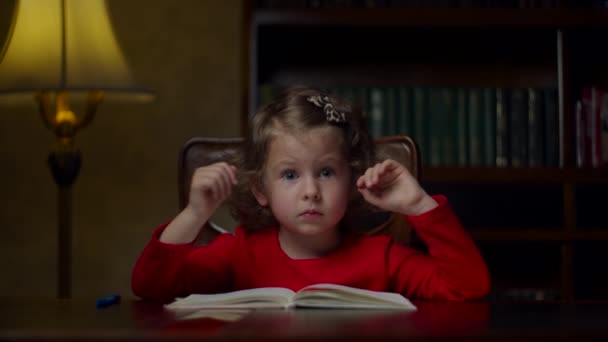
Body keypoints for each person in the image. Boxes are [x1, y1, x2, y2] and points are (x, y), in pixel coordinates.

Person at [132, 87, 490, 302]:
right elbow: (149, 286)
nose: (310, 192)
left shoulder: (381, 258)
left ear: (352, 182)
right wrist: (195, 214)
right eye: (289, 175)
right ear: (261, 190)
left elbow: (468, 287)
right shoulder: (238, 253)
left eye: (326, 172)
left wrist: (417, 205)